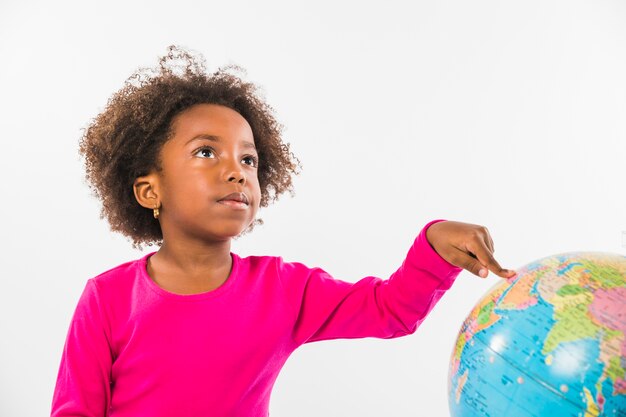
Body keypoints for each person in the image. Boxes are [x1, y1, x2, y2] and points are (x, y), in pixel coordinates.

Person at [50, 45, 517, 417]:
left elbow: (389, 309)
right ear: (150, 191)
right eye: (206, 153)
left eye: (248, 159)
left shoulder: (281, 289)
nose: (237, 172)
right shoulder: (106, 299)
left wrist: (433, 246)